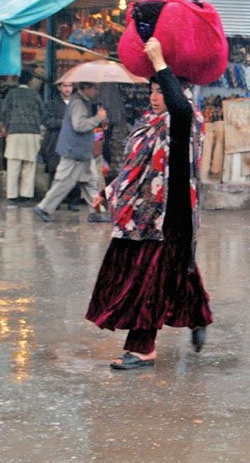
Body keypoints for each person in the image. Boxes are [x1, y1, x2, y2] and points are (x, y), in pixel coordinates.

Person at [86, 37, 213, 369]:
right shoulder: (149, 123)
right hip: (143, 214)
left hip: (170, 215)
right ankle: (197, 314)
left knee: (149, 278)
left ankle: (143, 347)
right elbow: (135, 168)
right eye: (152, 91)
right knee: (176, 271)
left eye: (161, 91)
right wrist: (109, 191)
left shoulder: (186, 119)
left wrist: (159, 59)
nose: (155, 98)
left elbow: (180, 106)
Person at [33, 82, 107, 222]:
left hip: (83, 151)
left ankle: (96, 211)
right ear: (86, 88)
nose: (96, 91)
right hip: (74, 151)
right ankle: (44, 207)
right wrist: (98, 118)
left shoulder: (83, 101)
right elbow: (79, 125)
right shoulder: (78, 103)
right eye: (94, 88)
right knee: (64, 182)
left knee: (91, 181)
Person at [0, 71, 45, 203]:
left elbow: (4, 112)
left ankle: (12, 195)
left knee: (14, 164)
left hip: (15, 132)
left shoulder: (11, 94)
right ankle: (26, 194)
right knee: (29, 165)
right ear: (30, 81)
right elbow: (43, 112)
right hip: (32, 132)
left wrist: (5, 127)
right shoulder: (35, 94)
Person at [40, 80, 82, 210]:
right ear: (59, 87)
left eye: (70, 86)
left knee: (73, 172)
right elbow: (47, 121)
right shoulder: (52, 104)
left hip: (74, 142)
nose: (67, 89)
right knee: (55, 171)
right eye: (65, 86)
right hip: (55, 141)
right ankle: (54, 202)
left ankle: (73, 201)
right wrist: (64, 123)